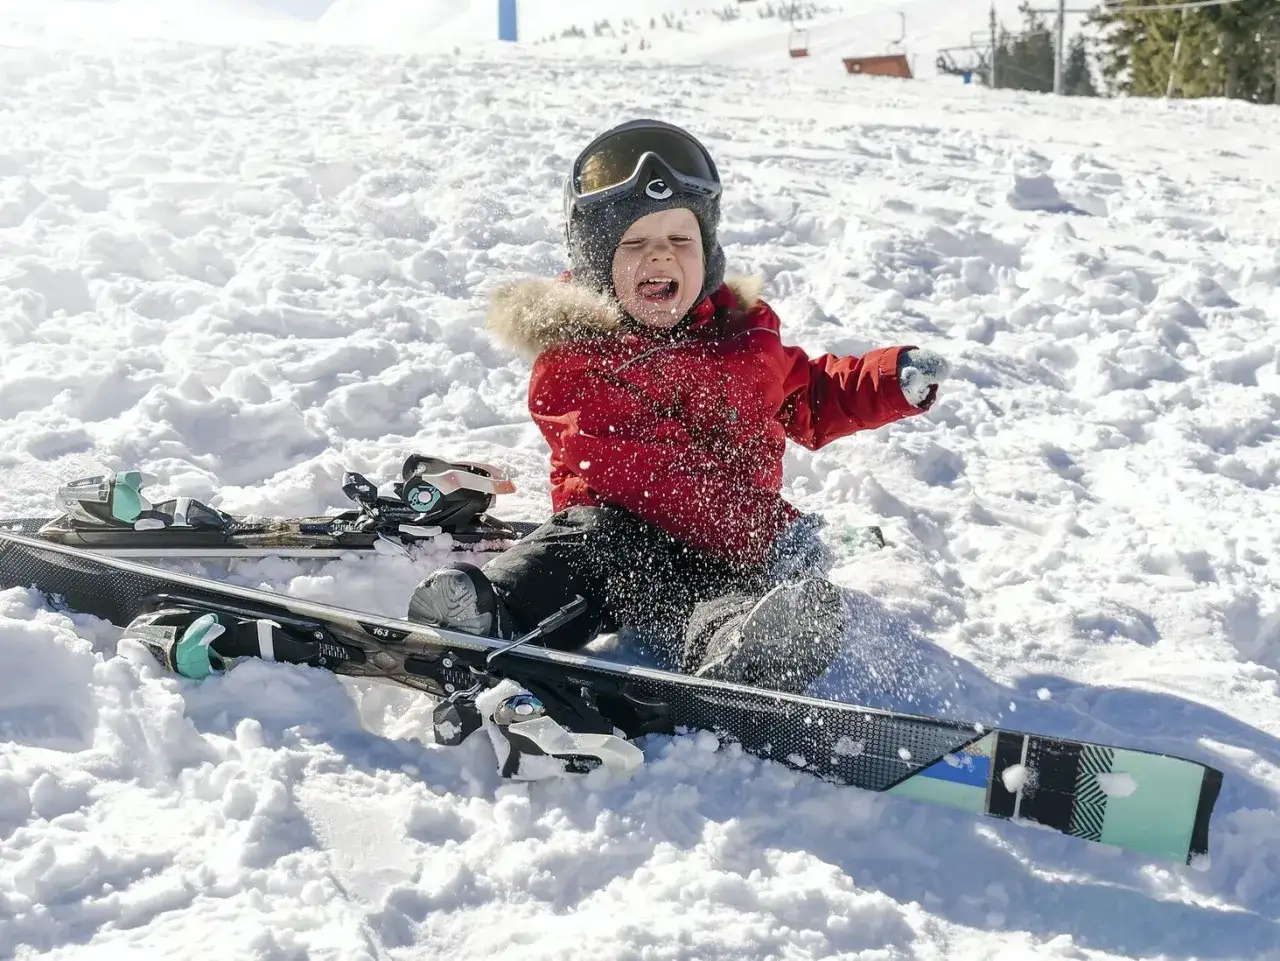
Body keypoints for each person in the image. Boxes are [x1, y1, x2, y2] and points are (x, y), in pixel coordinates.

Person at [407, 118, 951, 695]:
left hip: (734, 549)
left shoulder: (747, 340)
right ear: (598, 265)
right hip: (626, 532)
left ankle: (747, 645)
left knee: (725, 599)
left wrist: (889, 380)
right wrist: (761, 530)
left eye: (680, 241)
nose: (660, 258)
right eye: (635, 243)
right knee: (577, 552)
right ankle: (488, 613)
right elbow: (630, 465)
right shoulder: (580, 357)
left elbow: (809, 397)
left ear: (708, 255)